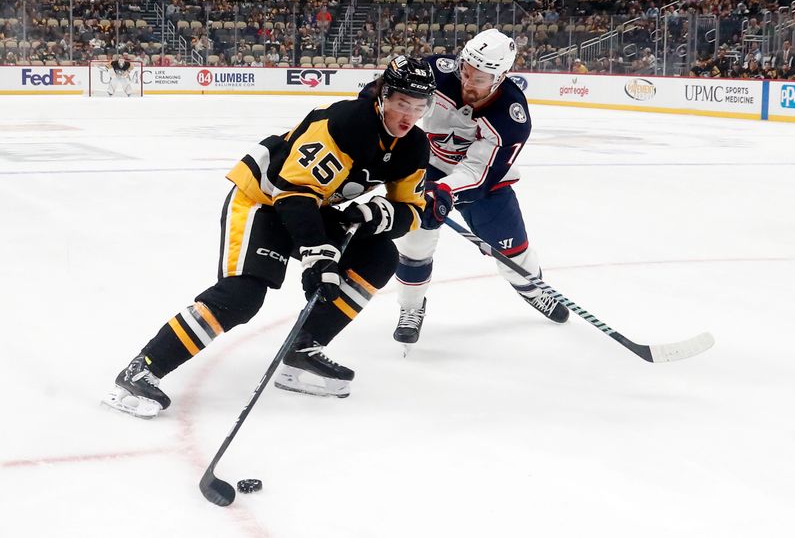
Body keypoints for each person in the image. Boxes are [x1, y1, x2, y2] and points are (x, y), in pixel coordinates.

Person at [102, 56, 437, 418]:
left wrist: (379, 215)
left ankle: (303, 348)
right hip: (262, 199)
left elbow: (412, 210)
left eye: (419, 107)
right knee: (241, 296)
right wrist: (317, 256)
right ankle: (143, 368)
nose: (409, 116)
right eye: (402, 103)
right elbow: (292, 191)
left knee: (380, 256)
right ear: (383, 95)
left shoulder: (414, 146)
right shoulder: (347, 122)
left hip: (310, 206)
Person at [362, 29, 569, 347]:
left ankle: (532, 290)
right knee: (415, 245)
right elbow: (391, 92)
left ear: (499, 77)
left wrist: (443, 191)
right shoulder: (438, 73)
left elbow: (478, 171)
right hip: (427, 168)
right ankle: (411, 308)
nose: (467, 83)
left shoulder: (511, 117)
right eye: (465, 72)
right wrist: (368, 103)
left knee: (512, 248)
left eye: (479, 79)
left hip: (485, 184)